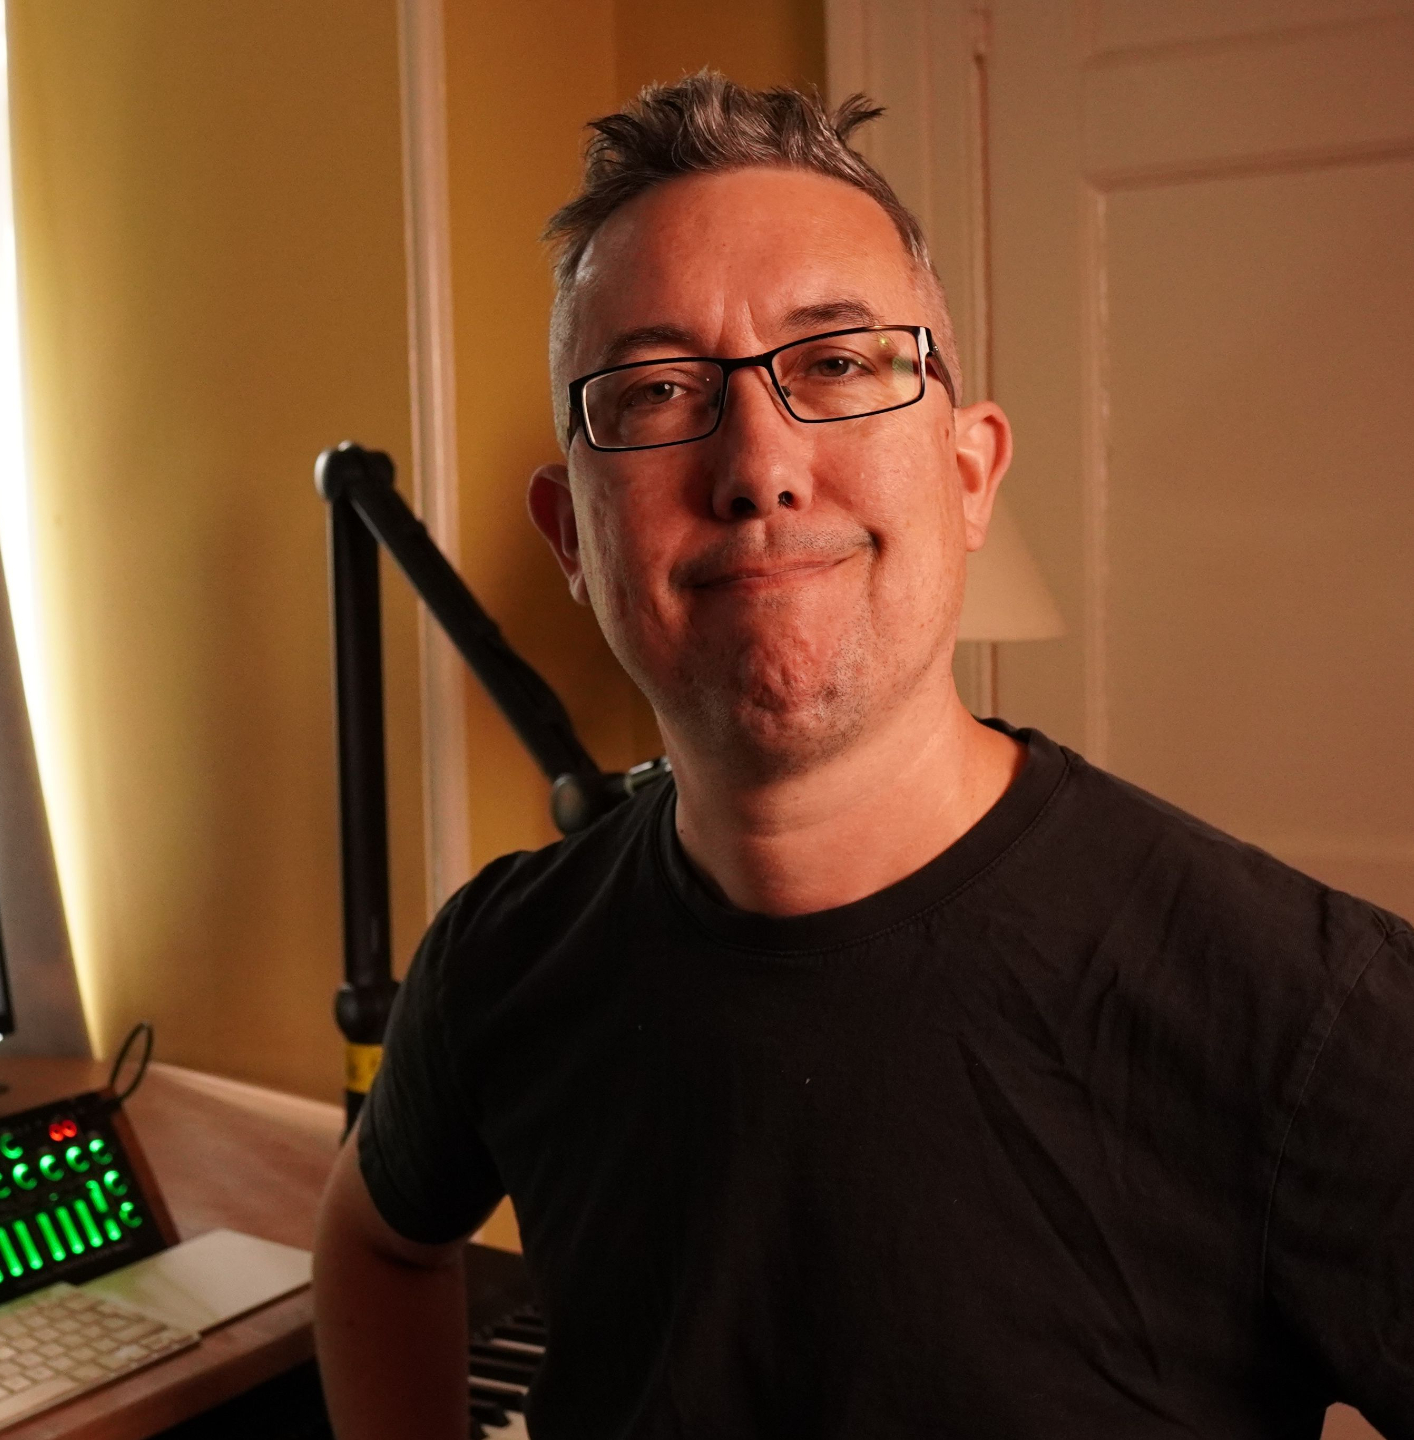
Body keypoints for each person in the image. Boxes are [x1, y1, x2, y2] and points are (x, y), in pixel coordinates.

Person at [311, 72, 1414, 1438]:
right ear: (572, 538)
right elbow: (374, 1244)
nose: (759, 466)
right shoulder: (503, 958)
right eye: (657, 391)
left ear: (969, 473)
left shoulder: (1314, 1016)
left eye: (835, 364)